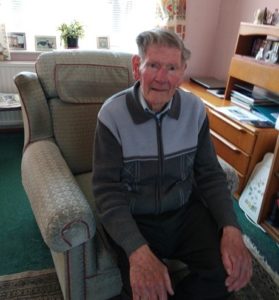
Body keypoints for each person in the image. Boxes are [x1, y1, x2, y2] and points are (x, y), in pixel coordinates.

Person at [92, 28, 252, 300]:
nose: (162, 78)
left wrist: (231, 228)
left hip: (184, 213)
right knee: (146, 291)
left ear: (183, 72)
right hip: (135, 218)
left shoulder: (195, 110)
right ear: (136, 66)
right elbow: (107, 192)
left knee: (226, 276)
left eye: (172, 68)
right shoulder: (112, 115)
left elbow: (210, 175)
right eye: (153, 65)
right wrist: (137, 251)